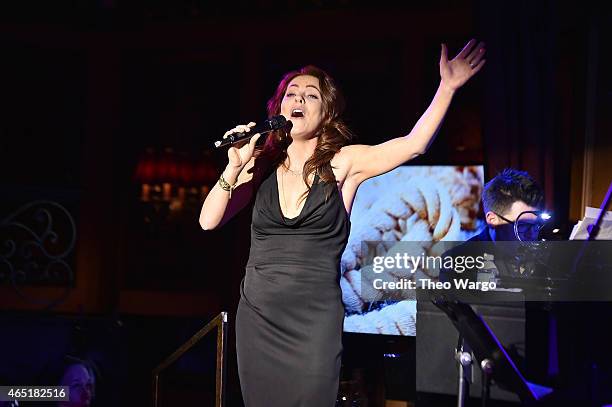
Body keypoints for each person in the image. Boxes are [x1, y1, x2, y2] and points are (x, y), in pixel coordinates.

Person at [199, 39, 486, 406]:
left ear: (327, 112)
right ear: (279, 107)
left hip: (314, 320)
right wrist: (234, 166)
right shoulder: (260, 165)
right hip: (259, 317)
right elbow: (209, 221)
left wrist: (447, 88)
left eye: (310, 95)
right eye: (291, 93)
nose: (298, 100)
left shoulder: (343, 163)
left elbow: (414, 144)